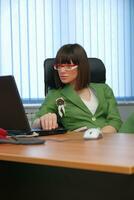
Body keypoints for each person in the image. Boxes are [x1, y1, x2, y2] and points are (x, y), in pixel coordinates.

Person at [32, 43, 122, 133]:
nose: (62, 71)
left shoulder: (104, 89)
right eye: (59, 66)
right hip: (80, 142)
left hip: (109, 139)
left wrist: (99, 135)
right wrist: (42, 121)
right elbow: (34, 122)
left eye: (68, 66)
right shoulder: (55, 94)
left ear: (81, 66)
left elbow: (115, 121)